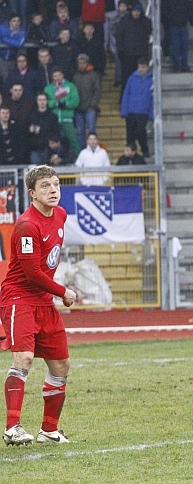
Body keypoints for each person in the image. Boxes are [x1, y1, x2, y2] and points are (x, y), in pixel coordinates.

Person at [0, 166, 75, 446]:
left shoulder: (61, 215)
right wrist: (63, 291)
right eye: (45, 186)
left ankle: (49, 431)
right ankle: (12, 428)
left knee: (61, 364)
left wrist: (54, 293)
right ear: (32, 193)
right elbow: (31, 273)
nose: (53, 190)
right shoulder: (26, 225)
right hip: (19, 298)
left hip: (43, 300)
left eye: (56, 184)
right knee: (24, 359)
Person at [120, 60, 153, 157]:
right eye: (140, 67)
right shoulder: (132, 78)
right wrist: (124, 110)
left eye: (143, 67)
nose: (141, 69)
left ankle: (145, 151)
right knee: (130, 134)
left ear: (147, 68)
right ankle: (130, 153)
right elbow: (126, 94)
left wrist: (151, 114)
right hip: (131, 111)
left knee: (140, 131)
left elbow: (152, 98)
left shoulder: (151, 80)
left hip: (143, 112)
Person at [43, 67, 78, 155]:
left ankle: (79, 160)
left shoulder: (71, 86)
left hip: (67, 119)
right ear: (52, 77)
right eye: (55, 76)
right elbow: (46, 102)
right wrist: (55, 103)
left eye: (59, 75)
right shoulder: (48, 88)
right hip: (53, 120)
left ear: (63, 75)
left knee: (72, 140)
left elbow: (75, 101)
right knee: (53, 142)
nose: (57, 77)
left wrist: (66, 104)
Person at [72, 53, 100, 150]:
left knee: (91, 130)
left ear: (87, 63)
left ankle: (92, 149)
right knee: (80, 131)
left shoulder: (93, 75)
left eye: (83, 63)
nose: (81, 65)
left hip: (90, 108)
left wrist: (93, 104)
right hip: (78, 108)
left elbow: (97, 90)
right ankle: (83, 151)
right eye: (79, 63)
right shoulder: (75, 75)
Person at [162, 0, 191, 73]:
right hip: (173, 26)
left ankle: (185, 65)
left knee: (184, 47)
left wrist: (186, 19)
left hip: (183, 25)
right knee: (175, 46)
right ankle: (177, 66)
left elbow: (189, 10)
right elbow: (165, 12)